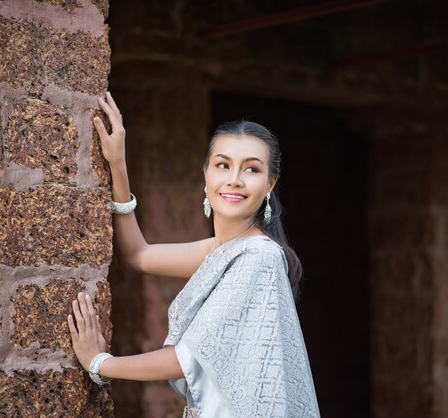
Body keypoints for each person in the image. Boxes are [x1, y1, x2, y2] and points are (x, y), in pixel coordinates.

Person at [68, 92, 320, 417]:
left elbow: (184, 358)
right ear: (206, 175)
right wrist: (117, 162)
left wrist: (99, 362)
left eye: (251, 170)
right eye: (223, 165)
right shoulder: (223, 250)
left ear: (269, 184)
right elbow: (139, 255)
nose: (234, 180)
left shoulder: (258, 257)